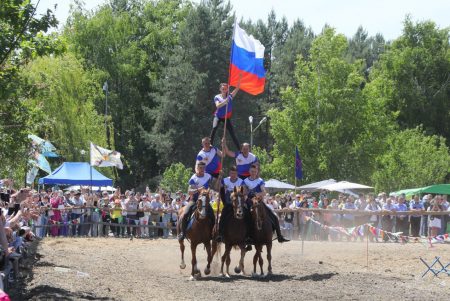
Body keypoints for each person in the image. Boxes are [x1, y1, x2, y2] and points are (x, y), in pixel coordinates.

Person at [243, 164, 289, 243]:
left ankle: (279, 236)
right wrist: (248, 196)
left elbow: (264, 192)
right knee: (244, 217)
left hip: (259, 202)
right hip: (249, 203)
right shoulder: (245, 181)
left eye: (255, 171)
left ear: (257, 171)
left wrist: (258, 194)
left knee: (274, 216)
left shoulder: (260, 181)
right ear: (249, 171)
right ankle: (246, 237)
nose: (253, 173)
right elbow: (244, 192)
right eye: (252, 171)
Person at [177, 162, 215, 241]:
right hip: (195, 200)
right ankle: (183, 233)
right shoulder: (193, 178)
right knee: (185, 214)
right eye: (200, 168)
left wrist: (220, 176)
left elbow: (213, 185)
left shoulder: (208, 176)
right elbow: (189, 191)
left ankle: (213, 233)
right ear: (197, 168)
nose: (202, 169)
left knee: (212, 215)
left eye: (203, 168)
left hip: (205, 201)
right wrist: (198, 189)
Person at [210, 77, 242, 150]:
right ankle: (210, 145)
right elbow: (217, 106)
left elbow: (238, 88)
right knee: (214, 128)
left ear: (227, 89)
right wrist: (225, 102)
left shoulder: (230, 96)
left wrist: (240, 78)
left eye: (225, 89)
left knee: (232, 133)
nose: (224, 90)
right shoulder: (217, 97)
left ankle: (239, 149)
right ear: (220, 89)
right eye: (223, 89)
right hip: (218, 116)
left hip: (226, 118)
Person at [215, 166, 245, 242]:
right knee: (223, 216)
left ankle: (248, 235)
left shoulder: (241, 181)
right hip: (228, 203)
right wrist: (219, 177)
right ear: (229, 173)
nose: (233, 175)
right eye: (232, 173)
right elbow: (217, 187)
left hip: (238, 203)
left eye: (235, 173)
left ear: (237, 173)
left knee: (247, 214)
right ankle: (220, 234)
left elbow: (243, 191)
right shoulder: (225, 180)